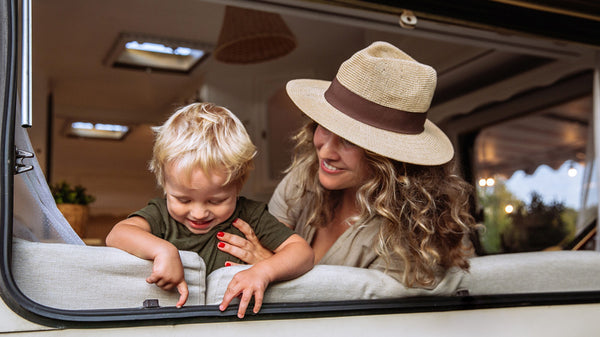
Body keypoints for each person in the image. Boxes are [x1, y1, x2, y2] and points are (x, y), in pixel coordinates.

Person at [216, 41, 476, 290]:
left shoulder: (414, 234)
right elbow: (255, 245)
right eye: (324, 127)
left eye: (349, 141)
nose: (325, 151)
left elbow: (362, 318)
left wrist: (271, 266)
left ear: (390, 159)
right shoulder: (304, 178)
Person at [105, 103, 314, 317]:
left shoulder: (251, 216)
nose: (198, 213)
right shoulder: (160, 214)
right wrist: (163, 251)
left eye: (216, 201)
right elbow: (118, 234)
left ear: (238, 185)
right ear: (164, 184)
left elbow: (302, 253)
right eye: (183, 199)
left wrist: (264, 271)